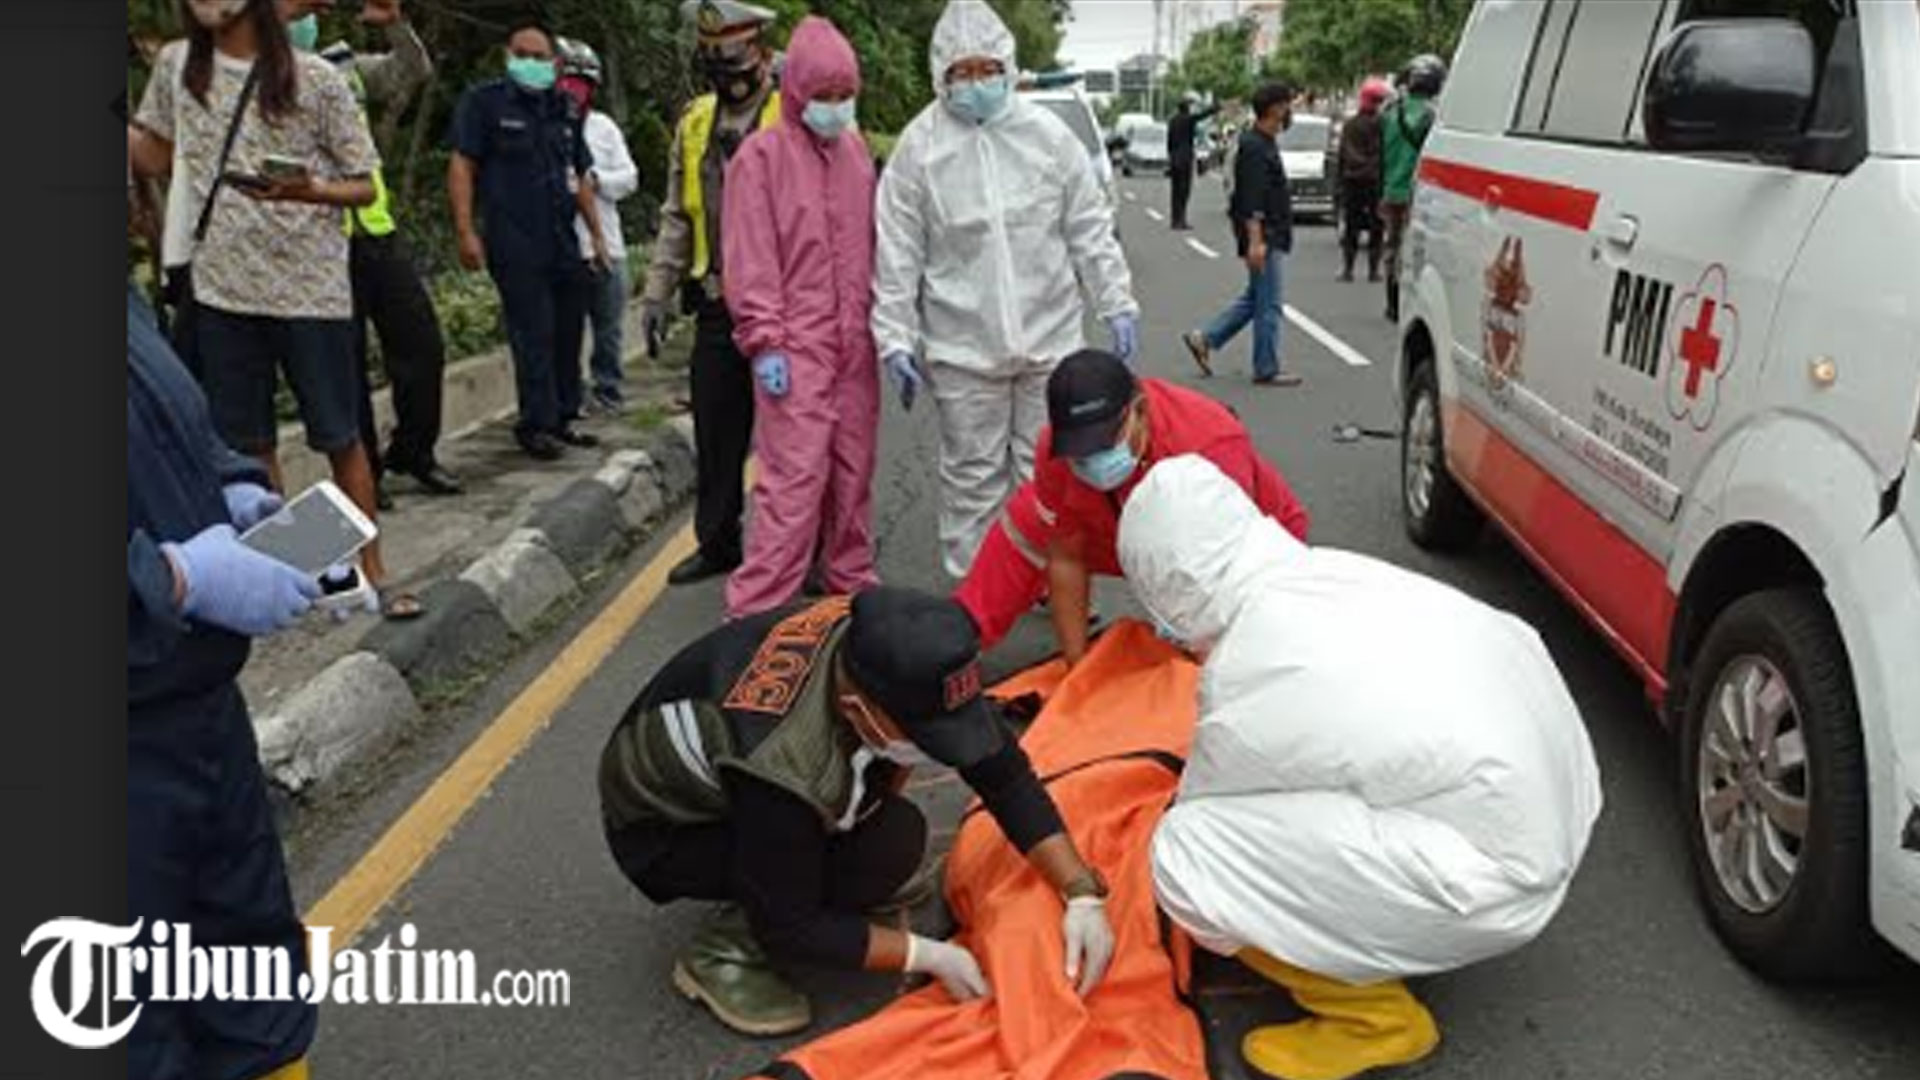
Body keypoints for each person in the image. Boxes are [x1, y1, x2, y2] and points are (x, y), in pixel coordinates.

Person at [1118, 456, 1602, 1080]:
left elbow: (1208, 804)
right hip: (1560, 811)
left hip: (1498, 879)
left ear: (1175, 590)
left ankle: (1373, 1019)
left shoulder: (1247, 665)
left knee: (1186, 855)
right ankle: (1377, 932)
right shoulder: (1335, 572)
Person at [598, 587, 1116, 1036]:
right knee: (847, 871)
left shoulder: (894, 645)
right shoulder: (783, 762)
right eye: (923, 736)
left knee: (893, 839)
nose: (939, 749)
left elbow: (1003, 774)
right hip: (666, 828)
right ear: (857, 711)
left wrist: (1080, 891)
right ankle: (723, 949)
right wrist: (928, 955)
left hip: (742, 768)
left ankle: (803, 876)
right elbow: (792, 925)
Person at [130, 0, 416, 619]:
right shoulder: (179, 67)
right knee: (251, 446)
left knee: (339, 437)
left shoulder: (319, 79)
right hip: (222, 291)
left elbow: (364, 182)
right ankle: (296, 576)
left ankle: (371, 572)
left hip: (310, 292)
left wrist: (309, 190)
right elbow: (151, 155)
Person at [873, 0, 1138, 582]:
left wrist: (1115, 300)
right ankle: (978, 588)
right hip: (962, 347)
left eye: (985, 68)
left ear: (1007, 66)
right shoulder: (920, 151)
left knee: (1046, 468)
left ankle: (1049, 578)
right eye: (961, 72)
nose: (976, 82)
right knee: (972, 475)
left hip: (1050, 337)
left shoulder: (1048, 139)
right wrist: (894, 337)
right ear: (941, 75)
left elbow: (1088, 229)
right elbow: (898, 251)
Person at [128, 283, 320, 1080]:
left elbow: (170, 418)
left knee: (254, 986)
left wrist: (231, 487)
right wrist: (167, 578)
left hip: (197, 714)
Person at [954, 349, 1311, 662]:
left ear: (1138, 411)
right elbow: (1066, 558)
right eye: (1080, 452)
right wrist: (1077, 670)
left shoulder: (1208, 444)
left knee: (1239, 650)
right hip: (1120, 524)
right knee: (1026, 522)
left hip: (1234, 548)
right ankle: (951, 647)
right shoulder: (1056, 451)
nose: (1090, 460)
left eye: (1102, 446)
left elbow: (1223, 572)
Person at [720, 16, 881, 619]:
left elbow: (870, 247)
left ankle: (846, 574)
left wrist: (888, 331)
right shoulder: (760, 159)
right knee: (793, 480)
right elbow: (751, 256)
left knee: (852, 469)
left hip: (853, 343)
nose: (836, 108)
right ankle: (758, 605)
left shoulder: (855, 155)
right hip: (797, 343)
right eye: (824, 96)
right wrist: (765, 343)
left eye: (845, 96)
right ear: (796, 92)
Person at [282, 0, 462, 503]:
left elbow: (412, 71)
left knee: (422, 345)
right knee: (347, 364)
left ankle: (415, 450)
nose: (301, 20)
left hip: (376, 233)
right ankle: (368, 477)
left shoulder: (345, 67)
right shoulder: (260, 80)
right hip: (318, 242)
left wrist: (397, 27)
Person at [643, 0, 784, 587]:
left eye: (734, 52)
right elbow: (678, 213)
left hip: (784, 308)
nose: (725, 67)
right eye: (713, 55)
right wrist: (656, 292)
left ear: (762, 53)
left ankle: (805, 548)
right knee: (717, 433)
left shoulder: (792, 112)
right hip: (719, 302)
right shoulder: (696, 121)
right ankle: (719, 542)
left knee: (792, 439)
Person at [448, 20, 612, 461]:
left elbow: (579, 177)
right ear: (508, 54)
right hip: (514, 237)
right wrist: (465, 230)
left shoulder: (564, 109)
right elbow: (463, 164)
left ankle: (562, 415)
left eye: (540, 58)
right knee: (533, 331)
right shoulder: (485, 103)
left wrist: (596, 236)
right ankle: (535, 424)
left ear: (555, 64)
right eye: (523, 55)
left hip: (561, 237)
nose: (532, 64)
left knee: (568, 328)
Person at [1183, 81, 1300, 387]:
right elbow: (1252, 200)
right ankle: (1266, 367)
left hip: (1271, 231)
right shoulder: (1254, 146)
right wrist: (1256, 241)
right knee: (1269, 304)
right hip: (1265, 234)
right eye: (1288, 104)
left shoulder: (1263, 142)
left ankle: (1205, 339)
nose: (1290, 112)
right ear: (1275, 108)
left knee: (1256, 297)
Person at [557, 37, 641, 417]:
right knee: (566, 332)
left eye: (580, 83)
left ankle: (608, 392)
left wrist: (597, 179)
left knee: (608, 329)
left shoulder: (603, 128)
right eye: (566, 81)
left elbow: (630, 177)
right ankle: (570, 399)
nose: (572, 91)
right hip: (566, 249)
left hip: (608, 244)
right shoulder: (545, 129)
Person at [1381, 55, 1445, 323]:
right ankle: (1413, 303)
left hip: (1390, 189)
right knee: (1419, 250)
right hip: (1419, 193)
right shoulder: (1433, 116)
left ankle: (1392, 302)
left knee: (1392, 244)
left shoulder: (1390, 112)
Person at [1336, 78, 1388, 284]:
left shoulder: (1350, 125)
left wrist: (1339, 183)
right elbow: (1385, 154)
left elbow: (1343, 155)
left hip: (1353, 181)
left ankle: (1348, 269)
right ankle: (1374, 271)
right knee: (1377, 226)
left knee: (1352, 226)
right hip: (1376, 182)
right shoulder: (1383, 125)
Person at [1166, 93, 1218, 231]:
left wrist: (1170, 158)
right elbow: (1203, 115)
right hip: (1185, 159)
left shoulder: (1173, 121)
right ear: (1187, 108)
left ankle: (1174, 219)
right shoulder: (1188, 120)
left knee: (1175, 191)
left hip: (1174, 158)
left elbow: (1169, 142)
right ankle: (1181, 220)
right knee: (1184, 191)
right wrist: (1216, 108)